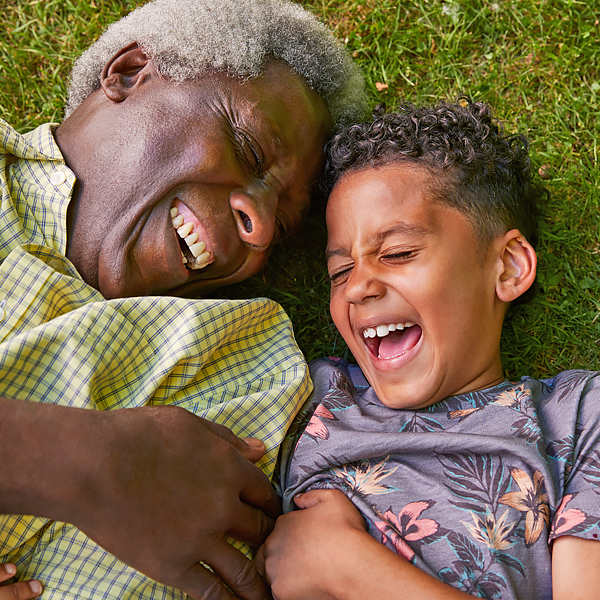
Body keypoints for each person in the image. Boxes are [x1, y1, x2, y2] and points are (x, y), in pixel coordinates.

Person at [0, 1, 366, 599]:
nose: (262, 229)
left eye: (284, 221)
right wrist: (82, 461)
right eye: (248, 148)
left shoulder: (241, 366)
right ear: (128, 73)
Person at [257, 100, 600, 599]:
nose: (357, 288)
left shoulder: (577, 418)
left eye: (397, 254)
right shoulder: (306, 392)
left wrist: (349, 568)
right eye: (339, 272)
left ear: (506, 267)